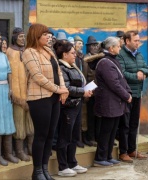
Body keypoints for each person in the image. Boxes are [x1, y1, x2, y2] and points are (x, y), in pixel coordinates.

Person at [22, 23, 69, 180]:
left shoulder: (49, 51)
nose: (48, 37)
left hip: (54, 98)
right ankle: (37, 172)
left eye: (49, 35)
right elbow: (37, 77)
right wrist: (58, 89)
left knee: (50, 135)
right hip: (39, 98)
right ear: (36, 36)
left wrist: (63, 89)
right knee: (41, 135)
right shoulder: (29, 52)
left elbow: (59, 72)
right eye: (45, 35)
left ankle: (45, 168)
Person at [85, 37, 131, 167]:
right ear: (111, 48)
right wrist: (126, 95)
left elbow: (119, 80)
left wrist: (127, 93)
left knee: (112, 130)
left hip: (115, 102)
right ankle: (100, 158)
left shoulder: (111, 60)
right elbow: (114, 84)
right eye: (118, 46)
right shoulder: (105, 62)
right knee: (106, 131)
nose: (120, 48)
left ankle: (108, 156)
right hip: (108, 102)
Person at [55, 41, 91, 177]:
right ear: (64, 54)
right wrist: (83, 92)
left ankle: (72, 163)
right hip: (67, 106)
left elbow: (80, 82)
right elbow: (67, 88)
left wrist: (85, 91)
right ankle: (62, 166)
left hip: (77, 104)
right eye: (72, 53)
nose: (75, 55)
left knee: (75, 136)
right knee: (65, 136)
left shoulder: (73, 66)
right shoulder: (61, 68)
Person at [117, 30, 148, 162]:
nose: (138, 43)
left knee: (133, 123)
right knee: (124, 124)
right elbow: (121, 74)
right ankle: (123, 152)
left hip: (138, 94)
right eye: (135, 40)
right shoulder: (121, 55)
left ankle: (132, 150)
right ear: (127, 41)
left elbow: (147, 68)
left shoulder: (140, 55)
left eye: (139, 40)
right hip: (126, 95)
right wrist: (137, 76)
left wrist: (143, 71)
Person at [6, 27, 34, 161]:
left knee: (30, 124)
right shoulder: (10, 52)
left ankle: (30, 148)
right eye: (20, 36)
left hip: (29, 94)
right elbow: (12, 75)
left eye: (24, 36)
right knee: (19, 124)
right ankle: (18, 150)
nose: (23, 39)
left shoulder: (27, 51)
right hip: (17, 94)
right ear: (14, 37)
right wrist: (15, 95)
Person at [0, 29, 18, 167]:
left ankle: (7, 153)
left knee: (7, 120)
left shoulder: (3, 55)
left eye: (0, 39)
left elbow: (9, 71)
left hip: (5, 91)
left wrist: (11, 89)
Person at [82, 36, 101, 147]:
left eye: (96, 45)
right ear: (88, 47)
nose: (94, 47)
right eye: (92, 45)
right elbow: (84, 76)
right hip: (90, 91)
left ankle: (98, 137)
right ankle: (91, 137)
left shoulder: (99, 58)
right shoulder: (86, 59)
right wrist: (86, 93)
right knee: (91, 116)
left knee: (99, 116)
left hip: (100, 92)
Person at [73, 35, 86, 148]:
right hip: (76, 90)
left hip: (83, 88)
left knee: (81, 117)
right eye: (78, 43)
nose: (80, 45)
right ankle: (76, 139)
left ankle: (79, 139)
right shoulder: (75, 58)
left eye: (81, 43)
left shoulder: (82, 57)